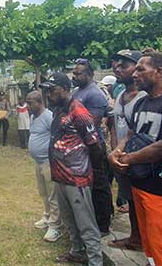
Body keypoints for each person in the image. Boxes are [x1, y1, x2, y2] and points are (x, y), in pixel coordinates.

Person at [108, 52, 162, 266]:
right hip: (141, 182)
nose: (134, 74)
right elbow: (131, 133)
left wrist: (127, 159)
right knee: (149, 243)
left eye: (140, 69)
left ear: (159, 72)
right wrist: (117, 150)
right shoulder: (144, 102)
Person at [40, 73, 103, 266]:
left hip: (77, 178)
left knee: (86, 224)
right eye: (47, 90)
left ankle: (95, 261)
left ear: (65, 89)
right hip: (60, 176)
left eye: (53, 90)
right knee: (70, 221)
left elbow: (95, 145)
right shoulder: (59, 110)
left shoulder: (79, 112)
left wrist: (94, 173)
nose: (49, 94)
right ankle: (77, 252)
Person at [107, 50, 146, 252]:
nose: (118, 68)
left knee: (142, 204)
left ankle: (147, 243)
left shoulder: (145, 96)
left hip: (138, 158)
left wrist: (127, 155)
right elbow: (115, 125)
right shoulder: (120, 94)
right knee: (130, 199)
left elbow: (138, 133)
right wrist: (115, 150)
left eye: (124, 65)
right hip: (120, 156)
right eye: (116, 65)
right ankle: (135, 238)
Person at [72, 59, 113, 235]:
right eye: (73, 73)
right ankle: (91, 218)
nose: (74, 76)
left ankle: (103, 224)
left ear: (89, 75)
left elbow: (91, 124)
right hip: (81, 146)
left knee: (99, 185)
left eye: (78, 73)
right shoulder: (78, 91)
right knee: (87, 184)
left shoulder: (94, 94)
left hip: (94, 146)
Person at [25, 90, 62, 242]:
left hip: (48, 162)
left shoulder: (49, 116)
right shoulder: (33, 116)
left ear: (40, 102)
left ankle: (55, 225)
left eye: (30, 103)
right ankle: (47, 217)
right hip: (38, 162)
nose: (27, 106)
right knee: (44, 193)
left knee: (53, 194)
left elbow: (56, 137)